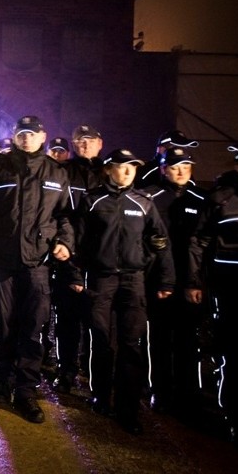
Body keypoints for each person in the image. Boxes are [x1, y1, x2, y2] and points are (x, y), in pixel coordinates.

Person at [0, 115, 73, 424]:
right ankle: (2, 377)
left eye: (32, 134)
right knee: (3, 322)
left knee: (33, 328)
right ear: (15, 137)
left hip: (37, 264)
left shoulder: (56, 172)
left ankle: (26, 391)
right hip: (2, 262)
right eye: (21, 133)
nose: (26, 138)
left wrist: (65, 241)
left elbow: (65, 215)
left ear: (43, 137)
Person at [69, 148, 175, 435]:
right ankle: (101, 396)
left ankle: (128, 409)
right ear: (108, 170)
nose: (127, 172)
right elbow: (77, 241)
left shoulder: (144, 203)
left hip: (133, 281)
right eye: (121, 167)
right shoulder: (92, 200)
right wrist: (76, 275)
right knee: (102, 341)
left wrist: (166, 280)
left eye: (132, 167)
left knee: (131, 344)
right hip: (101, 280)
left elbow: (160, 241)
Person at [186, 134, 238, 448]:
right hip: (232, 291)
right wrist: (194, 281)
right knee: (234, 355)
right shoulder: (222, 198)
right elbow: (199, 241)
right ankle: (235, 421)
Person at [143, 148, 208, 418]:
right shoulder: (151, 197)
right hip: (157, 280)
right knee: (158, 339)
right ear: (163, 169)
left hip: (190, 281)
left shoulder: (202, 199)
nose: (180, 171)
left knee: (187, 340)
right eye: (174, 166)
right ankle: (159, 389)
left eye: (185, 166)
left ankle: (188, 392)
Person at [51, 124, 105, 394]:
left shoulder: (109, 172)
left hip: (101, 261)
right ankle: (66, 370)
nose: (84, 145)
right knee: (68, 320)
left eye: (89, 140)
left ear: (99, 143)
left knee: (98, 321)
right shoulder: (64, 173)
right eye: (79, 141)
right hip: (69, 256)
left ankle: (95, 373)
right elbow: (59, 214)